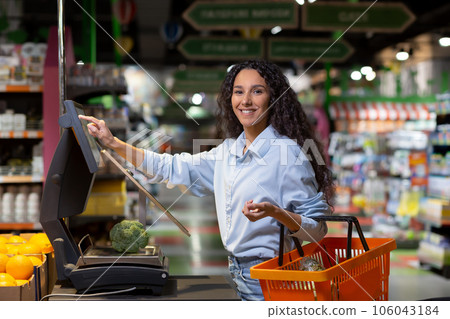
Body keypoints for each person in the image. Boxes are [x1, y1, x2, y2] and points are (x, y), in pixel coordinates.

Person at [79, 60, 334, 301]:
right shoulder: (228, 151)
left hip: (269, 276)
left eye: (257, 91)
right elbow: (169, 165)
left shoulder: (287, 154)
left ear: (274, 99)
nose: (246, 100)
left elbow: (317, 231)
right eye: (238, 91)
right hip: (236, 271)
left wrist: (276, 213)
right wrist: (113, 143)